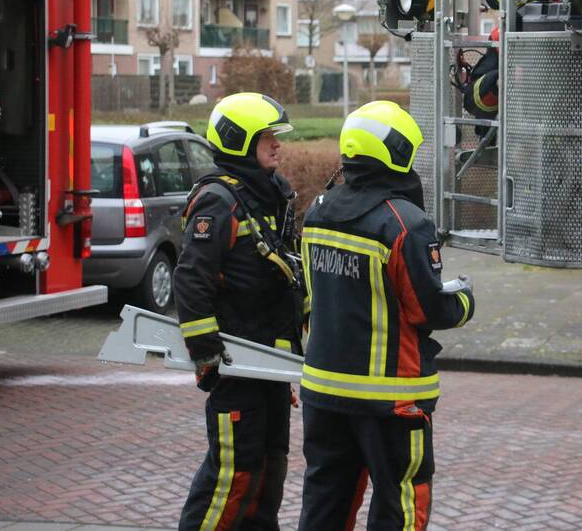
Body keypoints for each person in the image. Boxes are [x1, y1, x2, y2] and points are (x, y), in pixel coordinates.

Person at [296, 101, 476, 530]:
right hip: (391, 398)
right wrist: (465, 300)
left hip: (322, 392)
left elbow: (311, 293)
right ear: (395, 153)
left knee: (325, 504)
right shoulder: (405, 223)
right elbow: (427, 308)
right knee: (400, 505)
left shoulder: (318, 212)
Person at [175, 92, 303, 531]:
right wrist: (207, 353)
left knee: (269, 473)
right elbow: (191, 280)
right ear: (239, 140)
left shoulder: (271, 196)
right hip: (237, 365)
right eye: (267, 136)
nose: (276, 145)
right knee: (232, 474)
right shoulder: (218, 201)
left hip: (269, 368)